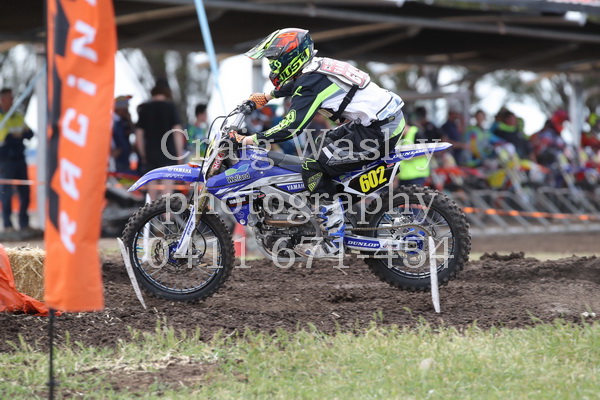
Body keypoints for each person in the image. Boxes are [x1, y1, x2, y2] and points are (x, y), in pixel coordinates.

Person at [229, 28, 406, 257]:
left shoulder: (310, 82)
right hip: (376, 122)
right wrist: (267, 97)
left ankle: (333, 241)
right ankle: (339, 210)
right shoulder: (315, 67)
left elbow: (292, 126)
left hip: (379, 130)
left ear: (291, 57)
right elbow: (296, 85)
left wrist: (249, 139)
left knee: (312, 165)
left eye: (274, 60)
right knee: (322, 145)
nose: (272, 66)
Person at [135, 83, 184, 199]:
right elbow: (177, 132)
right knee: (166, 194)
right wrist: (179, 155)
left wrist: (143, 154)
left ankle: (151, 210)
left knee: (152, 192)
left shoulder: (145, 109)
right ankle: (165, 211)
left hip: (151, 154)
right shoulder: (170, 107)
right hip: (169, 154)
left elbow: (139, 135)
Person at [0, 88, 34, 233]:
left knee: (25, 192)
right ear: (2, 100)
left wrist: (17, 136)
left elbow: (30, 133)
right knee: (6, 193)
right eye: (9, 98)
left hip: (20, 159)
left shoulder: (18, 116)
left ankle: (24, 224)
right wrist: (19, 136)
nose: (13, 100)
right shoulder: (1, 117)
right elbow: (7, 139)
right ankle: (8, 225)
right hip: (5, 160)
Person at [111, 95, 134, 173]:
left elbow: (132, 131)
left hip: (125, 156)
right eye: (125, 108)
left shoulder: (123, 121)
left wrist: (129, 119)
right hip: (115, 156)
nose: (126, 110)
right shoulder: (111, 121)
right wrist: (110, 150)